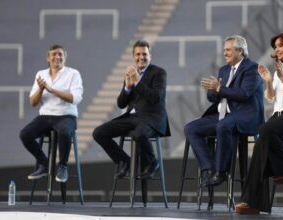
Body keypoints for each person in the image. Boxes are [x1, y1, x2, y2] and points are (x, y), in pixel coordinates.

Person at [235, 32, 283, 214]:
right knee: (261, 146)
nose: (277, 50)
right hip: (279, 113)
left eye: (281, 46)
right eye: (276, 47)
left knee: (265, 130)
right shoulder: (279, 69)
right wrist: (269, 81)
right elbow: (271, 98)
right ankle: (253, 201)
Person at [184, 35, 264, 188]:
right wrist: (214, 90)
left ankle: (221, 172)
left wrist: (220, 88)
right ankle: (209, 168)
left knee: (222, 126)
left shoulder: (252, 68)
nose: (225, 53)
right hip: (223, 115)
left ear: (240, 51)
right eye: (224, 50)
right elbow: (212, 97)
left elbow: (244, 94)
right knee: (190, 128)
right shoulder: (224, 70)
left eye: (228, 50)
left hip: (244, 116)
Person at [93, 40, 170, 179]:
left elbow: (155, 98)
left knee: (138, 134)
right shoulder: (131, 73)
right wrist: (128, 87)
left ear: (150, 55)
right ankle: (124, 161)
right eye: (138, 54)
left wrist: (137, 82)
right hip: (132, 118)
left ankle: (151, 163)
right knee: (99, 133)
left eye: (144, 54)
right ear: (134, 57)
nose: (141, 57)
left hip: (152, 118)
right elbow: (121, 104)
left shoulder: (159, 72)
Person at [19, 44, 83, 183]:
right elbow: (33, 102)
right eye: (54, 54)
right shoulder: (40, 74)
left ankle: (62, 166)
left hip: (66, 115)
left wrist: (52, 90)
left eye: (60, 54)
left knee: (65, 132)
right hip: (45, 116)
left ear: (65, 58)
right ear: (48, 58)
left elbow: (75, 98)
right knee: (25, 134)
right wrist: (41, 89)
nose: (57, 57)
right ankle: (44, 163)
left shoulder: (73, 73)